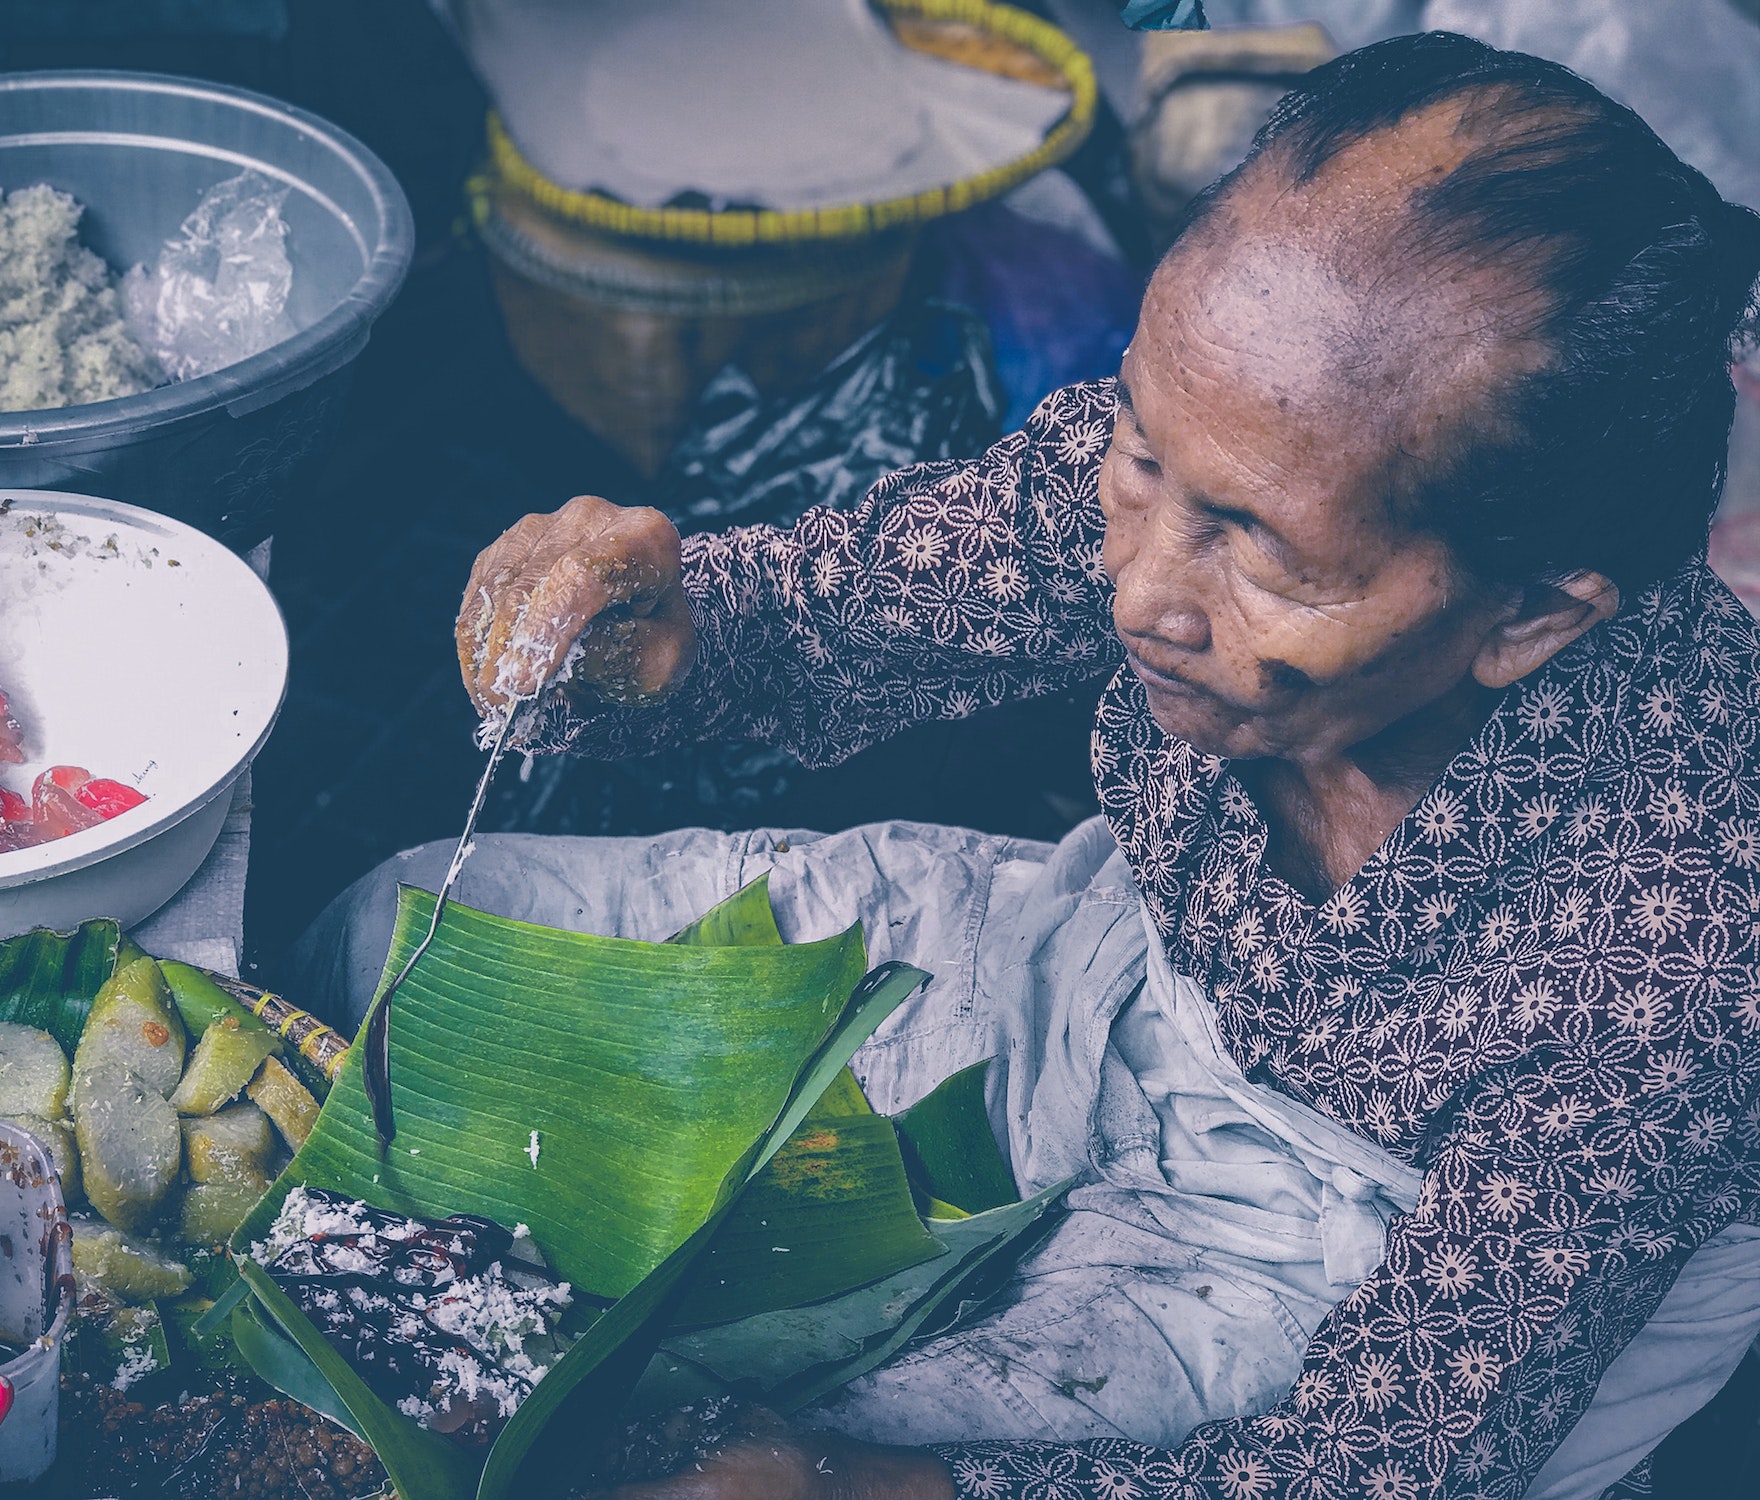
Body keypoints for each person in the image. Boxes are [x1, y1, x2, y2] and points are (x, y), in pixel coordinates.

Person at [293, 32, 1760, 1500]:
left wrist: (846, 1486)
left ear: (1531, 613)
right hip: (1126, 984)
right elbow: (829, 616)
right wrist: (661, 632)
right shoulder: (1226, 446)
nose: (1140, 592)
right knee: (389, 941)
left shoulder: (1680, 946)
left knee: (686, 1413)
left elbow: (1366, 1468)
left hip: (1362, 1241)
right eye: (1137, 455)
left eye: (1263, 554)